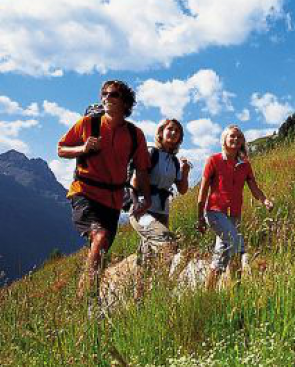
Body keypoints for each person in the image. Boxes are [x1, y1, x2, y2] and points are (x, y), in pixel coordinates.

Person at [57, 80, 151, 296]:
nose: (107, 98)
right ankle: (88, 301)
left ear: (125, 102)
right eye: (104, 94)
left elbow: (142, 169)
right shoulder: (88, 123)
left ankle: (83, 294)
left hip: (113, 200)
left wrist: (147, 198)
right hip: (84, 191)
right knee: (99, 238)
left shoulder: (135, 135)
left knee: (102, 249)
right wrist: (83, 147)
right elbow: (61, 149)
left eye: (113, 95)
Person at [197, 125, 273, 290]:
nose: (235, 139)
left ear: (242, 142)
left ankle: (209, 292)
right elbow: (203, 189)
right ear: (224, 139)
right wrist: (200, 217)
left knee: (221, 257)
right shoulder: (213, 160)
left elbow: (254, 187)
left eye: (239, 137)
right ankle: (237, 290)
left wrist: (264, 200)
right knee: (238, 245)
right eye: (232, 136)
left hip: (235, 215)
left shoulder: (244, 165)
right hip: (215, 212)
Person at [129, 119, 191, 276]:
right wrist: (136, 204)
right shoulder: (151, 153)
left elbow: (182, 190)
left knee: (147, 256)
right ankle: (161, 284)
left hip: (163, 212)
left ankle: (141, 295)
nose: (173, 133)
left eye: (177, 131)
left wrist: (184, 171)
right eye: (170, 129)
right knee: (168, 242)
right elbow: (134, 181)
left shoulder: (175, 162)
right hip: (143, 210)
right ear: (161, 132)